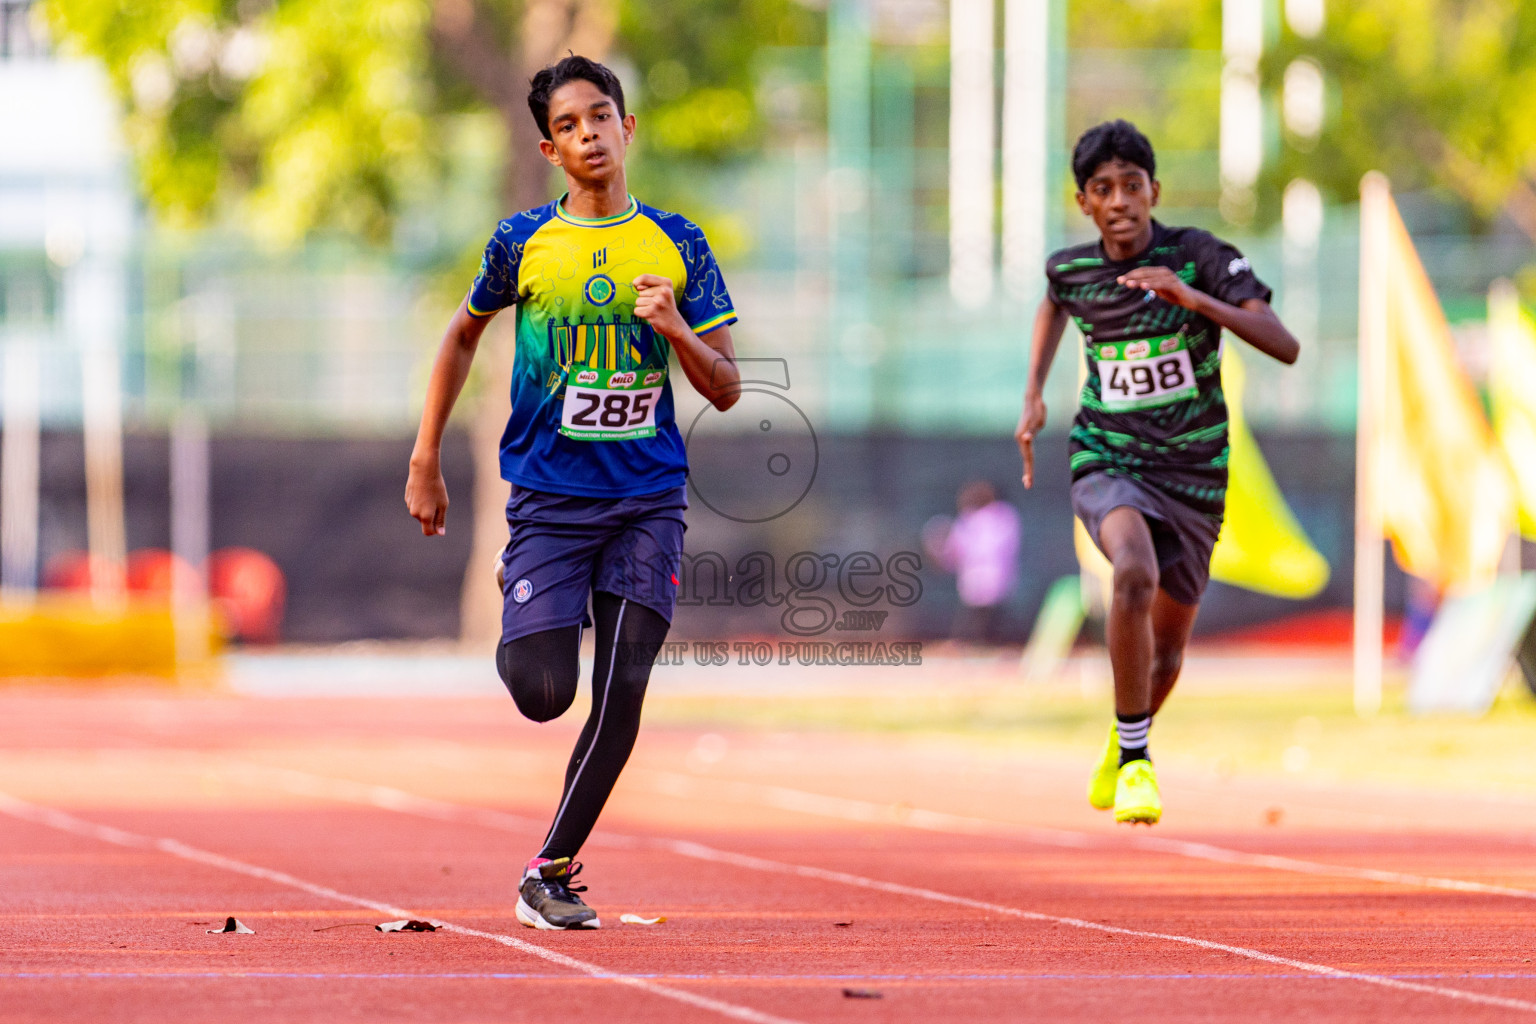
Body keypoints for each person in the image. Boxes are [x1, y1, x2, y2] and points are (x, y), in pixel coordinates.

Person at [405, 55, 740, 928]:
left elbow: (728, 386)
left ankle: (547, 870)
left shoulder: (680, 245)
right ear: (551, 149)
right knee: (544, 690)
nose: (589, 134)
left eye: (602, 117)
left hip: (648, 500)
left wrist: (674, 327)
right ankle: (533, 602)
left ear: (627, 129)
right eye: (570, 125)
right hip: (550, 504)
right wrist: (426, 457)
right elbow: (460, 336)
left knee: (623, 686)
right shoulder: (522, 243)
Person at [1014, 120, 1298, 825]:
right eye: (1103, 189)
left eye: (1131, 186)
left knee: (1166, 653)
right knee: (1131, 571)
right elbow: (1055, 300)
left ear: (1153, 191)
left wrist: (1194, 300)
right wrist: (1033, 393)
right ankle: (1140, 763)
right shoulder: (1072, 269)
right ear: (1084, 202)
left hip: (1195, 471)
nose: (1119, 201)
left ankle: (1124, 735)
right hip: (1107, 457)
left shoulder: (1199, 256)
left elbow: (1284, 345)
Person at [923, 480, 1022, 646]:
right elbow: (956, 551)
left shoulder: (1001, 516)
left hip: (991, 580)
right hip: (978, 582)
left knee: (991, 619)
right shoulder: (972, 520)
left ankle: (983, 645)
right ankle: (973, 645)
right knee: (979, 619)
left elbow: (984, 549)